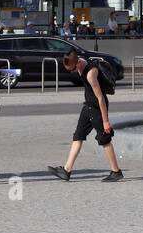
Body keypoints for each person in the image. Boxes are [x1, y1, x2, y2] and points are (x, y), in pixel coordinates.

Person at [48, 49, 124, 182]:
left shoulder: (90, 73)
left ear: (77, 63)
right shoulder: (79, 62)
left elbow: (100, 98)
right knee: (78, 135)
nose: (70, 71)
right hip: (88, 106)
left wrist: (105, 120)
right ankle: (67, 170)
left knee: (104, 138)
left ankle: (116, 171)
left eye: (71, 69)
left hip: (96, 107)